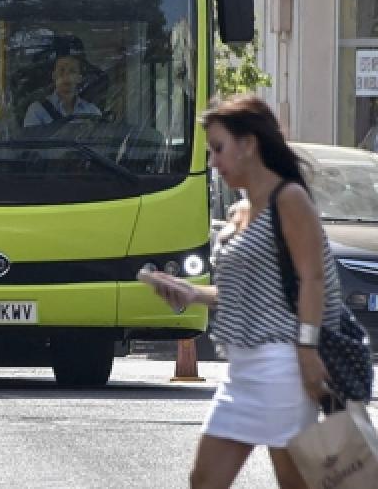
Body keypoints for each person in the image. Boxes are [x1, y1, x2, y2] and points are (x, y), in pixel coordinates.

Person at [142, 94, 344, 489]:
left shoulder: (289, 199)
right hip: (243, 369)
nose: (213, 162)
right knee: (203, 481)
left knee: (293, 484)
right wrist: (191, 293)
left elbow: (313, 279)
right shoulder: (239, 212)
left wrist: (306, 353)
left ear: (249, 144)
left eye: (219, 149)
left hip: (282, 366)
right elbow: (249, 294)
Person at [22, 54, 100, 127]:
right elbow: (29, 140)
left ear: (79, 78)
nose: (66, 76)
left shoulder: (92, 112)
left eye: (72, 71)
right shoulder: (37, 110)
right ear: (54, 76)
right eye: (61, 71)